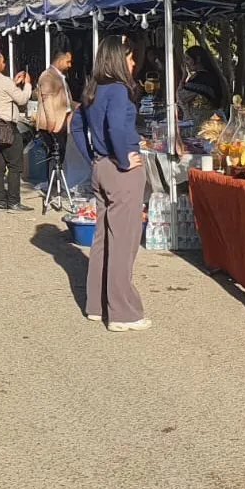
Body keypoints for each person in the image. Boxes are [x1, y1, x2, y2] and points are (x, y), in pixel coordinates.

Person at [70, 35, 149, 332]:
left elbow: (75, 124)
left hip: (101, 167)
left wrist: (93, 154)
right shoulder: (117, 90)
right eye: (129, 57)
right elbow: (116, 126)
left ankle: (96, 304)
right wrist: (125, 159)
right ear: (118, 58)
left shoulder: (93, 89)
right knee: (123, 242)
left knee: (103, 238)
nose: (133, 63)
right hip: (120, 170)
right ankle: (122, 312)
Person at [0, 50, 32, 211]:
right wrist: (27, 84)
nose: (4, 64)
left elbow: (0, 95)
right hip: (7, 128)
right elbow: (22, 98)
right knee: (15, 166)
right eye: (2, 62)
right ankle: (14, 201)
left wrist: (13, 84)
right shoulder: (3, 80)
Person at [33, 50, 74, 186]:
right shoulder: (47, 76)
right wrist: (51, 121)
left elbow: (66, 99)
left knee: (60, 154)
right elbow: (47, 99)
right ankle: (50, 184)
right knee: (54, 154)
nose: (70, 65)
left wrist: (78, 106)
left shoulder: (60, 76)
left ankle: (56, 183)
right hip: (54, 123)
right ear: (60, 60)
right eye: (68, 62)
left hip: (63, 120)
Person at [178, 45, 227, 122]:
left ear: (197, 59)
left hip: (204, 123)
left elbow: (180, 97)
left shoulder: (199, 78)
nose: (186, 63)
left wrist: (184, 77)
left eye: (188, 59)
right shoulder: (212, 76)